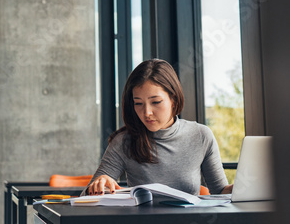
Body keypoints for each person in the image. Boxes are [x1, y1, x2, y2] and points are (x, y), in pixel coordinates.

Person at [86, 59, 233, 196]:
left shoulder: (201, 135)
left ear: (173, 100)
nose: (146, 113)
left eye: (155, 102)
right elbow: (85, 199)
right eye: (138, 103)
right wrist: (99, 184)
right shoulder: (124, 141)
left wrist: (242, 188)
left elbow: (220, 192)